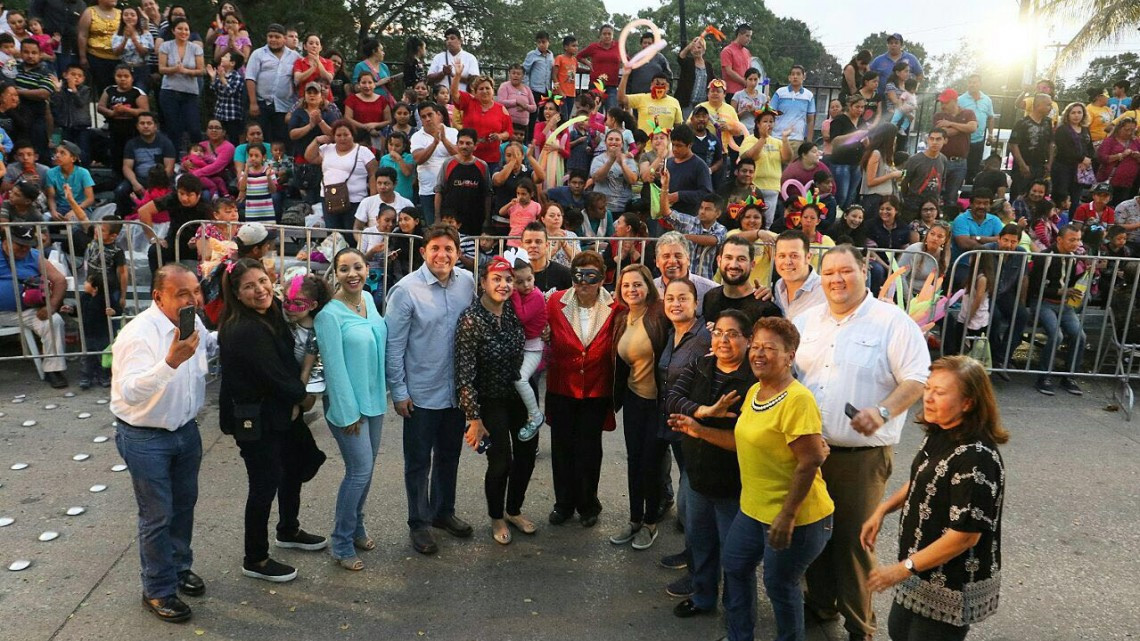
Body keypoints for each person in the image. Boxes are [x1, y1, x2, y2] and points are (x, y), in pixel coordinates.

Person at [797, 245, 931, 641]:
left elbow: (917, 379)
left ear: (864, 272)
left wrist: (885, 412)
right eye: (829, 272)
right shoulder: (805, 321)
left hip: (861, 458)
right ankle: (820, 605)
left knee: (854, 544)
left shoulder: (892, 322)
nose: (837, 279)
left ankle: (861, 628)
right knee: (814, 536)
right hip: (809, 453)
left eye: (846, 271)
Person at [670, 316, 832, 641]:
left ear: (790, 355)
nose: (758, 353)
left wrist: (787, 516)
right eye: (756, 346)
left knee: (779, 586)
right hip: (753, 508)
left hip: (797, 518)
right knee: (735, 565)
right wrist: (700, 431)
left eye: (769, 348)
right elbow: (741, 441)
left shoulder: (797, 400)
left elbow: (812, 457)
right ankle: (739, 636)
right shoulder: (756, 391)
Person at [863, 356, 1007, 641]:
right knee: (899, 631)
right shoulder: (941, 431)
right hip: (919, 569)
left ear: (968, 402)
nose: (927, 398)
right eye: (928, 389)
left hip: (948, 582)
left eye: (939, 392)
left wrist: (901, 570)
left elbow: (965, 536)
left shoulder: (976, 458)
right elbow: (923, 477)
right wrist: (883, 509)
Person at [110, 264, 212, 622]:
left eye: (195, 291)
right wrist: (170, 362)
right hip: (145, 436)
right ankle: (157, 589)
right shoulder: (138, 334)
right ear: (158, 297)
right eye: (182, 293)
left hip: (186, 431)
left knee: (184, 506)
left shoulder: (192, 322)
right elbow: (129, 390)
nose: (192, 299)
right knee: (157, 515)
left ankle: (178, 568)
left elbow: (209, 349)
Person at [217, 258, 325, 583]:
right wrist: (303, 398)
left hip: (281, 411)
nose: (259, 290)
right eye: (249, 286)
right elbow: (275, 375)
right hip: (256, 419)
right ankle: (256, 558)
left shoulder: (272, 309)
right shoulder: (243, 328)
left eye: (262, 281)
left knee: (294, 467)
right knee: (264, 484)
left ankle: (288, 529)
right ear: (237, 293)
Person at [386, 224, 477, 555]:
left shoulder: (466, 283)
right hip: (420, 394)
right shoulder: (405, 291)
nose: (442, 254)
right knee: (418, 462)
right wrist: (398, 391)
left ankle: (443, 512)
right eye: (435, 248)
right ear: (423, 252)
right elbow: (393, 347)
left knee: (449, 456)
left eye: (449, 249)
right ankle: (419, 523)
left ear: (457, 253)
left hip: (455, 393)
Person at [662, 309, 757, 619]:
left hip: (735, 482)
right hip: (698, 474)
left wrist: (698, 427)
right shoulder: (702, 363)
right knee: (700, 542)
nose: (723, 340)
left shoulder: (754, 379)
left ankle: (737, 616)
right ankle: (703, 598)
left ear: (748, 340)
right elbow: (672, 397)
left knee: (735, 556)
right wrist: (705, 410)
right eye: (718, 333)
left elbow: (747, 435)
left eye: (732, 334)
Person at [454, 254, 540, 545]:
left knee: (528, 454)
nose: (504, 285)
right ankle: (496, 515)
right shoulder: (471, 320)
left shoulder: (512, 311)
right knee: (500, 461)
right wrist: (473, 418)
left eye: (508, 280)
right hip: (490, 400)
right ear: (482, 283)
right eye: (497, 279)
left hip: (519, 395)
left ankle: (513, 509)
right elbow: (464, 374)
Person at [315, 248, 389, 570]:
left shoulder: (368, 301)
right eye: (344, 269)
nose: (352, 274)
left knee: (367, 470)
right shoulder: (328, 315)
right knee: (358, 472)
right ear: (336, 273)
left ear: (367, 268)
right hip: (349, 407)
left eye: (357, 267)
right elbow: (333, 367)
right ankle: (342, 542)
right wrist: (348, 414)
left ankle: (357, 526)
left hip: (374, 400)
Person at [545, 250, 619, 527]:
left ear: (601, 279)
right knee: (562, 448)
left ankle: (588, 504)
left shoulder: (615, 307)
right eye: (579, 276)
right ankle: (563, 504)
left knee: (589, 450)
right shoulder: (554, 302)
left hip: (596, 391)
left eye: (591, 276)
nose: (584, 282)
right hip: (561, 387)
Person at [607, 264, 670, 550]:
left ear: (648, 286)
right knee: (634, 460)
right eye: (626, 285)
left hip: (658, 401)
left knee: (652, 463)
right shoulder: (622, 317)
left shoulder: (660, 313)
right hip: (633, 398)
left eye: (638, 284)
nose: (632, 290)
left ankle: (650, 523)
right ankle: (634, 519)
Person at [0, 224, 68, 388]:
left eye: (28, 246)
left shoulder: (34, 256)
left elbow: (60, 280)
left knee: (54, 321)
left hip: (26, 311)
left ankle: (53, 370)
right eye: (20, 245)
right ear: (5, 241)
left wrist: (51, 306)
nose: (25, 250)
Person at [1027, 225, 1088, 396]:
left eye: (1078, 240)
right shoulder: (1044, 257)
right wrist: (1060, 291)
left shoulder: (1074, 257)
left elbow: (1069, 282)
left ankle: (1069, 377)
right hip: (1043, 302)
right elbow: (1035, 288)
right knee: (1057, 335)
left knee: (1080, 336)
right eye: (1072, 240)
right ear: (1059, 240)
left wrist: (1085, 273)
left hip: (1064, 305)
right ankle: (1044, 377)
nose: (1076, 244)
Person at [305, 119, 377, 233]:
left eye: (346, 135)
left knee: (351, 234)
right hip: (329, 199)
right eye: (338, 135)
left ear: (352, 135)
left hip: (355, 201)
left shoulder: (363, 152)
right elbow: (310, 157)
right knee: (333, 235)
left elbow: (373, 174)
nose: (342, 138)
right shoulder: (327, 149)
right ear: (333, 136)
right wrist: (317, 141)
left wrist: (373, 199)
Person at [703, 235, 782, 323]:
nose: (733, 265)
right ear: (719, 261)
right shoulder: (710, 297)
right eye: (728, 258)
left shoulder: (766, 309)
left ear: (752, 265)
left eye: (741, 259)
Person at [245, 24, 301, 144]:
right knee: (261, 137)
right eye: (270, 36)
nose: (273, 40)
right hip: (262, 104)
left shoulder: (295, 57)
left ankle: (280, 162)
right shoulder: (258, 54)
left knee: (281, 139)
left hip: (284, 105)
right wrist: (253, 103)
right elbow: (250, 78)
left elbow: (299, 80)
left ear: (284, 39)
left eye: (277, 36)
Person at [449, 66, 512, 170]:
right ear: (475, 92)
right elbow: (454, 94)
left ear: (493, 90)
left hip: (492, 159)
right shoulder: (469, 102)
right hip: (468, 156)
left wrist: (499, 136)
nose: (484, 91)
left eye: (487, 88)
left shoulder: (501, 109)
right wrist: (457, 75)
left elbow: (508, 132)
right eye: (481, 89)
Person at [157, 18, 204, 152]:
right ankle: (174, 159)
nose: (183, 32)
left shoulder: (195, 48)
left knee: (194, 127)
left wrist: (186, 71)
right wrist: (174, 70)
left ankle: (197, 156)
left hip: (190, 93)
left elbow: (201, 70)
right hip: (169, 91)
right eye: (180, 29)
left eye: (186, 29)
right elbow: (161, 68)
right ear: (173, 30)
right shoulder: (165, 46)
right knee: (173, 128)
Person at [410, 101, 459, 224]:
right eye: (423, 117)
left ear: (438, 114)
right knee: (433, 227)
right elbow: (418, 159)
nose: (427, 119)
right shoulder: (417, 136)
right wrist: (434, 143)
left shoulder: (453, 132)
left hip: (451, 189)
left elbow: (459, 155)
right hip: (428, 190)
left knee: (452, 226)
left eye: (430, 115)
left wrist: (444, 140)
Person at [435, 127, 490, 236]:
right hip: (450, 220)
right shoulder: (448, 163)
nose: (464, 146)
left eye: (468, 143)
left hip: (474, 219)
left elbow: (487, 194)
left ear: (475, 146)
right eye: (461, 143)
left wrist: (487, 219)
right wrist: (437, 218)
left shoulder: (482, 166)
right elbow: (439, 191)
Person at [653, 231, 719, 313]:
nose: (672, 261)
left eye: (678, 256)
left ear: (688, 260)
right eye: (666, 256)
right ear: (657, 262)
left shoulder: (710, 290)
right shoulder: (650, 289)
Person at [930, 89, 977, 205]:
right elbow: (943, 133)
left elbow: (973, 128)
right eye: (941, 103)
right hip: (941, 159)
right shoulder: (938, 116)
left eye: (945, 103)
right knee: (935, 193)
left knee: (952, 196)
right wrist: (964, 128)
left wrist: (951, 124)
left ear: (954, 101)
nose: (942, 106)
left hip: (960, 162)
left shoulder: (968, 113)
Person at [1009, 94, 1055, 199]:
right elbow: (1013, 145)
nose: (1050, 108)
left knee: (1038, 196)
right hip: (1024, 165)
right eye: (1048, 105)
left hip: (1040, 166)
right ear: (1038, 105)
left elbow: (1051, 143)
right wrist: (1022, 165)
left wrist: (1050, 163)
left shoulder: (1048, 122)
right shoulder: (1022, 123)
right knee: (1019, 195)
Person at [1050, 102, 1094, 204]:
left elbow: (1090, 147)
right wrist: (1082, 159)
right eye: (1073, 113)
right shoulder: (1062, 130)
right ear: (1068, 114)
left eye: (1079, 112)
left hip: (1080, 169)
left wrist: (1088, 159)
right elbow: (1065, 149)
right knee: (1061, 196)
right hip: (1063, 167)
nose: (1076, 115)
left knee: (1075, 197)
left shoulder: (1085, 129)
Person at [618, 67, 683, 136]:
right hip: (644, 145)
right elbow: (621, 99)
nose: (660, 87)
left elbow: (678, 127)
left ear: (668, 87)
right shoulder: (642, 98)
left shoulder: (674, 102)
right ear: (651, 86)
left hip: (664, 145)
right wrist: (625, 76)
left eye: (663, 84)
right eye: (657, 84)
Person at [76, 0, 120, 95]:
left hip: (118, 58)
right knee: (102, 89)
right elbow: (82, 35)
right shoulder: (90, 12)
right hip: (96, 58)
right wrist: (82, 56)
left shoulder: (121, 13)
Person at [901, 128, 947, 214]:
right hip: (913, 205)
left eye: (938, 139)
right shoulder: (913, 160)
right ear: (927, 140)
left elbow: (942, 180)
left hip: (933, 205)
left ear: (945, 140)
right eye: (931, 138)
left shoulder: (943, 159)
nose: (934, 142)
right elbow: (903, 181)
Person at [1095, 116, 1140, 205]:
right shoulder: (1110, 141)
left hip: (1128, 183)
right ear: (1119, 128)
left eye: (1132, 130)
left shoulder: (1135, 141)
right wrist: (1120, 155)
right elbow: (1102, 158)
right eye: (1126, 130)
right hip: (1110, 182)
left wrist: (1138, 156)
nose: (1129, 133)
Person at [578, 25, 621, 109]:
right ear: (600, 35)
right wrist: (588, 63)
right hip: (595, 85)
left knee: (611, 113)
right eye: (604, 34)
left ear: (613, 35)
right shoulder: (593, 47)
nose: (607, 36)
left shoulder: (618, 46)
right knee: (595, 113)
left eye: (609, 34)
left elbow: (627, 59)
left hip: (611, 86)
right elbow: (579, 56)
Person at [521, 30, 553, 139]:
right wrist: (527, 87)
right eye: (539, 42)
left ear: (548, 42)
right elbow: (525, 71)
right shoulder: (532, 55)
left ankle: (541, 138)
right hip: (534, 89)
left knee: (545, 115)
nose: (541, 44)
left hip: (546, 90)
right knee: (532, 116)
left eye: (543, 42)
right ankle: (529, 139)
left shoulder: (550, 55)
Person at [426, 27, 478, 92]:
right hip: (442, 99)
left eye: (452, 38)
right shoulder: (438, 57)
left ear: (460, 41)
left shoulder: (470, 58)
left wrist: (453, 75)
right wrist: (443, 73)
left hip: (463, 98)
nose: (449, 41)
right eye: (447, 39)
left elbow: (475, 80)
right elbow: (429, 79)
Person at [625, 31, 672, 96]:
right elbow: (628, 78)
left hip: (655, 96)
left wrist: (667, 91)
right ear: (641, 44)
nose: (647, 45)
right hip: (636, 96)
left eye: (649, 43)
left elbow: (668, 76)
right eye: (645, 43)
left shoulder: (661, 59)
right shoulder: (634, 59)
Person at [719, 24, 752, 97]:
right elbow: (729, 71)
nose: (749, 39)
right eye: (747, 36)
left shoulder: (747, 52)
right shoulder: (727, 51)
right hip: (731, 92)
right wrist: (744, 82)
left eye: (750, 37)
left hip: (745, 92)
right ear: (739, 35)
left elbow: (750, 71)